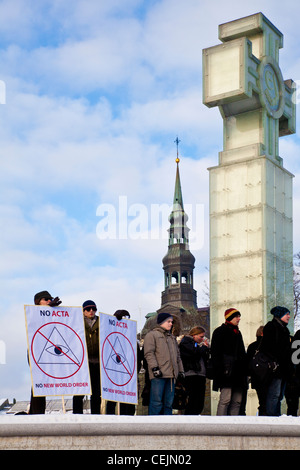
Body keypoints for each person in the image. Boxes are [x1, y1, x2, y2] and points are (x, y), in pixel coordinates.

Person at [144, 312, 185, 415]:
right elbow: (149, 353)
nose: (171, 324)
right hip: (159, 374)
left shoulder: (172, 338)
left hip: (171, 375)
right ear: (161, 322)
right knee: (156, 402)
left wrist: (181, 371)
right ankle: (153, 426)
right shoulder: (152, 335)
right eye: (168, 321)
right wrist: (154, 368)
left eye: (171, 322)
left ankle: (167, 426)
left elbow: (178, 357)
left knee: (169, 403)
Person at [28, 290, 61, 414]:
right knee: (38, 381)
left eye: (50, 299)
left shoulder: (53, 313)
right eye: (45, 299)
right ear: (38, 302)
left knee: (45, 381)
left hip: (51, 350)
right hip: (36, 350)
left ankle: (37, 411)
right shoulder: (32, 313)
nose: (49, 301)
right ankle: (36, 412)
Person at [210, 308, 247, 416]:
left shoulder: (237, 332)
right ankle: (220, 425)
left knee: (237, 401)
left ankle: (234, 425)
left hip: (238, 372)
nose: (239, 319)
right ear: (230, 318)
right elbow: (215, 354)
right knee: (225, 399)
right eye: (237, 316)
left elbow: (241, 353)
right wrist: (220, 370)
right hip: (226, 372)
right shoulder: (219, 332)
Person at [259, 306, 292, 416]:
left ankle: (276, 416)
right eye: (287, 314)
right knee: (274, 394)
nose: (289, 316)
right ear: (280, 315)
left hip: (282, 368)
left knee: (279, 395)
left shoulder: (284, 329)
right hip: (275, 368)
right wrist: (275, 361)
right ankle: (272, 417)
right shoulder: (272, 327)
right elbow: (267, 347)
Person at [106, 309, 138, 416]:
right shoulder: (110, 335)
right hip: (113, 373)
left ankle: (128, 422)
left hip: (128, 375)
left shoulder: (133, 339)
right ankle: (109, 422)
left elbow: (137, 357)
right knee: (112, 399)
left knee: (128, 402)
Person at [73, 300, 101, 414]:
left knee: (96, 392)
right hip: (83, 362)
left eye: (94, 309)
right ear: (83, 311)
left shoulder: (102, 322)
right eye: (88, 309)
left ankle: (96, 415)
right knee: (80, 390)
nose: (91, 311)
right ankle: (77, 415)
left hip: (98, 362)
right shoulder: (76, 322)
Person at [179, 326, 209, 415]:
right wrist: (204, 348)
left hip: (199, 374)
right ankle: (190, 419)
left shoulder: (195, 344)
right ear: (194, 335)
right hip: (191, 375)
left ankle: (195, 417)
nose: (202, 339)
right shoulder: (186, 342)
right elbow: (194, 353)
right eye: (201, 336)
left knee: (199, 400)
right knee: (193, 399)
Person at [246, 326, 267, 415]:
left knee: (262, 401)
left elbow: (248, 362)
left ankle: (262, 416)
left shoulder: (252, 346)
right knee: (269, 400)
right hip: (266, 376)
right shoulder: (267, 345)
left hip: (257, 377)